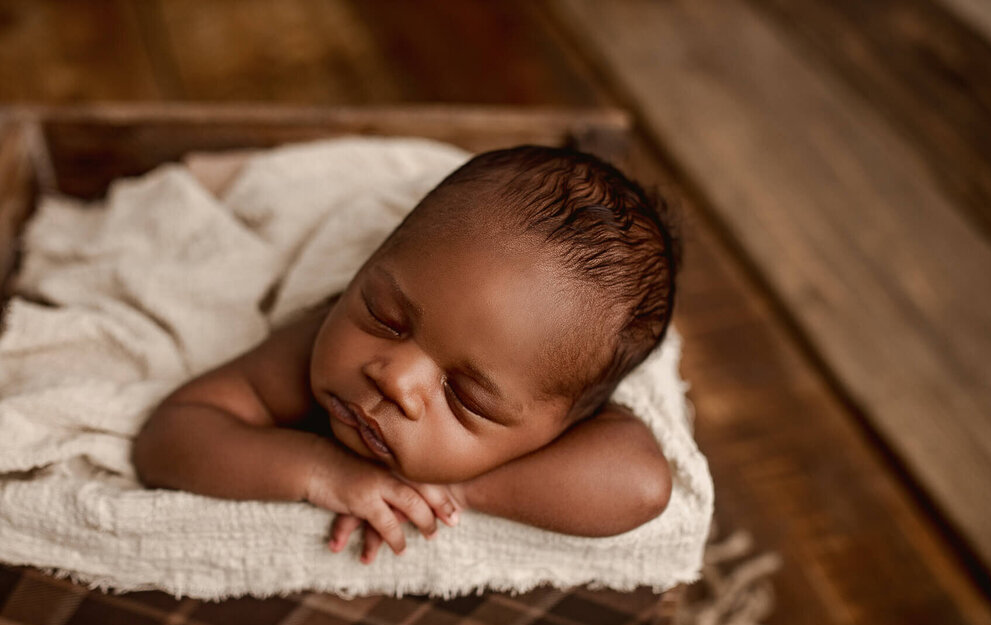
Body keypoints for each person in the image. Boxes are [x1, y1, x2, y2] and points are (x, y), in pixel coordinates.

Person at [132, 144, 679, 564]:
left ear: (556, 431)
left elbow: (642, 484)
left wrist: (453, 487)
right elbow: (172, 436)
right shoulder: (312, 349)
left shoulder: (551, 399)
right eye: (386, 318)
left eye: (465, 397)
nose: (394, 378)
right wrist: (320, 469)